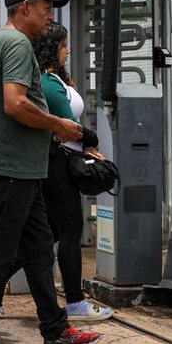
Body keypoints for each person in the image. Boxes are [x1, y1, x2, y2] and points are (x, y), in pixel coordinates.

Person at [0, 0, 99, 344]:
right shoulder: (16, 43)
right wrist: (59, 125)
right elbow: (14, 103)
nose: (51, 16)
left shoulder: (5, 41)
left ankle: (55, 330)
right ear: (25, 8)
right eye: (46, 8)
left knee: (36, 255)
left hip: (21, 173)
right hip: (8, 172)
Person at [33, 22, 113, 322]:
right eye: (64, 45)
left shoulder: (54, 79)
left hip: (63, 159)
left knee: (49, 232)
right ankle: (76, 303)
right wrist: (91, 140)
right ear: (52, 47)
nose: (68, 50)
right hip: (58, 164)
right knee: (69, 229)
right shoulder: (48, 82)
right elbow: (69, 126)